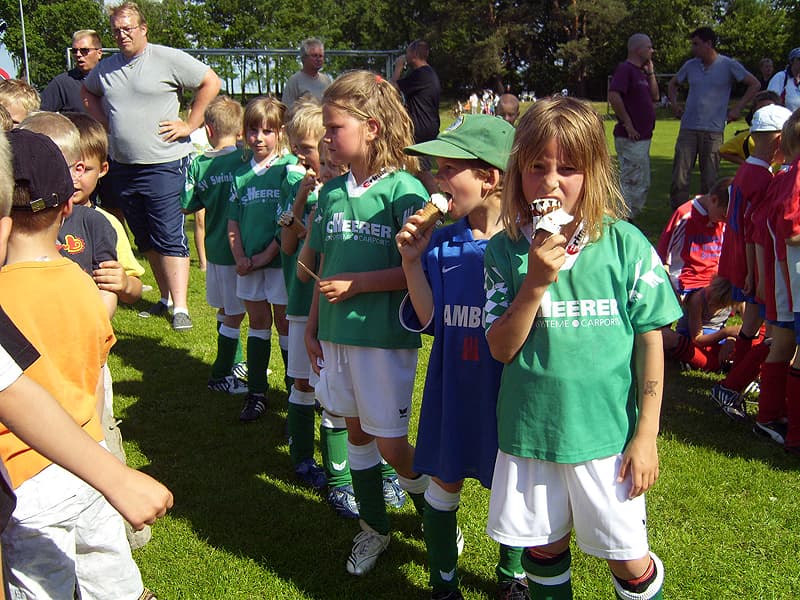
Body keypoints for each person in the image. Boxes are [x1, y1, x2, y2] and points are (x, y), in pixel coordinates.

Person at [482, 97, 682, 600]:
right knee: (545, 550)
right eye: (537, 168)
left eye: (568, 168)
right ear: (517, 173)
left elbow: (650, 341)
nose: (551, 183)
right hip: (531, 433)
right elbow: (501, 349)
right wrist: (534, 283)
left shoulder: (625, 245)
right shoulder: (504, 250)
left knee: (629, 561)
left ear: (593, 173)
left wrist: (647, 436)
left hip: (606, 440)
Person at [0, 130, 172, 597]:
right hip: (90, 458)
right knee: (109, 572)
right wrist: (96, 445)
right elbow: (96, 373)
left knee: (41, 585)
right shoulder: (83, 286)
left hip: (25, 477)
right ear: (67, 208)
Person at [398, 114, 528, 600]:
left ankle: (511, 576)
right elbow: (429, 318)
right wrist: (412, 262)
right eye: (434, 167)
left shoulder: (525, 246)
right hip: (453, 387)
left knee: (512, 487)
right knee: (442, 484)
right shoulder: (444, 242)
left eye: (448, 168)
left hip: (506, 391)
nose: (435, 178)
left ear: (490, 177)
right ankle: (443, 583)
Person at [305, 70, 429, 576]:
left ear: (372, 128)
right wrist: (312, 325)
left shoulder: (405, 190)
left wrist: (358, 285)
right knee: (356, 435)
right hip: (337, 336)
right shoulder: (331, 194)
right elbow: (322, 269)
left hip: (381, 339)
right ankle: (373, 528)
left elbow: (415, 274)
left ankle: (437, 514)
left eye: (334, 128)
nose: (325, 139)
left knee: (392, 444)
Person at [83, 1, 222, 332]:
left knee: (168, 232)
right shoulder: (107, 68)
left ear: (143, 29)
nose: (122, 35)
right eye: (117, 30)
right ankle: (165, 298)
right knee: (143, 235)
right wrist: (105, 123)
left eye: (128, 28)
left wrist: (190, 124)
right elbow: (87, 92)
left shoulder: (166, 58)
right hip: (123, 163)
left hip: (164, 162)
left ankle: (182, 307)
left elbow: (210, 81)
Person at [711, 104, 792, 418]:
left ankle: (735, 382)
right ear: (776, 140)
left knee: (753, 327)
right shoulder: (760, 177)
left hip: (740, 260)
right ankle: (732, 385)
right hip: (753, 266)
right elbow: (753, 232)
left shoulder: (748, 169)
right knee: (771, 332)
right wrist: (754, 274)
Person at [229, 96, 301, 422]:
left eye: (267, 131)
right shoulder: (240, 174)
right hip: (248, 265)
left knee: (285, 324)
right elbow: (233, 221)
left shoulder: (287, 171)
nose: (259, 138)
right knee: (258, 324)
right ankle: (256, 392)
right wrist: (241, 256)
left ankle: (295, 390)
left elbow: (286, 220)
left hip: (276, 263)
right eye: (253, 130)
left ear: (280, 133)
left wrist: (266, 255)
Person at [180, 95, 249, 395]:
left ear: (208, 130)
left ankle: (236, 362)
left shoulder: (198, 163)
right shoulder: (246, 161)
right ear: (242, 130)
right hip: (241, 250)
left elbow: (186, 204)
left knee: (226, 309)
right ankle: (221, 373)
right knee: (237, 314)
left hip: (215, 250)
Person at [667, 27, 760, 209]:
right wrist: (674, 104)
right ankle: (678, 216)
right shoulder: (690, 65)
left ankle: (709, 214)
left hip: (713, 131)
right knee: (679, 176)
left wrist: (738, 108)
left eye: (696, 44)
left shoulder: (727, 65)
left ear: (708, 44)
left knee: (709, 179)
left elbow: (754, 84)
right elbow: (673, 83)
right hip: (688, 129)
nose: (693, 48)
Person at [608, 33, 659, 219]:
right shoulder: (625, 69)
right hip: (631, 137)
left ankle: (628, 216)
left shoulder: (641, 73)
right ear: (637, 49)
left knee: (641, 180)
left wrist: (651, 72)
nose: (651, 50)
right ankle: (624, 217)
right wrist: (628, 124)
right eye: (648, 47)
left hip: (643, 136)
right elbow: (614, 95)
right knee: (631, 178)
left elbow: (655, 97)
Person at [656, 177, 731, 294]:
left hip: (714, 279)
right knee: (703, 299)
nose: (725, 221)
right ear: (714, 200)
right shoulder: (686, 215)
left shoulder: (723, 221)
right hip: (687, 280)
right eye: (723, 216)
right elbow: (662, 257)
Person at [391, 40, 441, 194]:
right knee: (416, 168)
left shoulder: (421, 74)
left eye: (407, 53)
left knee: (422, 170)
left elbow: (391, 88)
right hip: (427, 126)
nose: (405, 56)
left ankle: (438, 203)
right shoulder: (428, 74)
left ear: (413, 54)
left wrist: (399, 67)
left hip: (420, 128)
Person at [40, 30, 103, 113]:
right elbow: (39, 116)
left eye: (84, 50)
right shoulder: (61, 83)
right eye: (74, 51)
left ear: (99, 53)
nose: (78, 55)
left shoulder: (113, 78)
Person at [282, 38, 332, 109]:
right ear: (304, 58)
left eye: (320, 56)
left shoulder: (326, 81)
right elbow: (286, 109)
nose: (318, 59)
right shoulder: (294, 81)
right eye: (314, 56)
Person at [767, 47, 800, 113]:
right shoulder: (780, 77)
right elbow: (769, 103)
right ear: (791, 61)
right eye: (799, 59)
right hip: (784, 121)